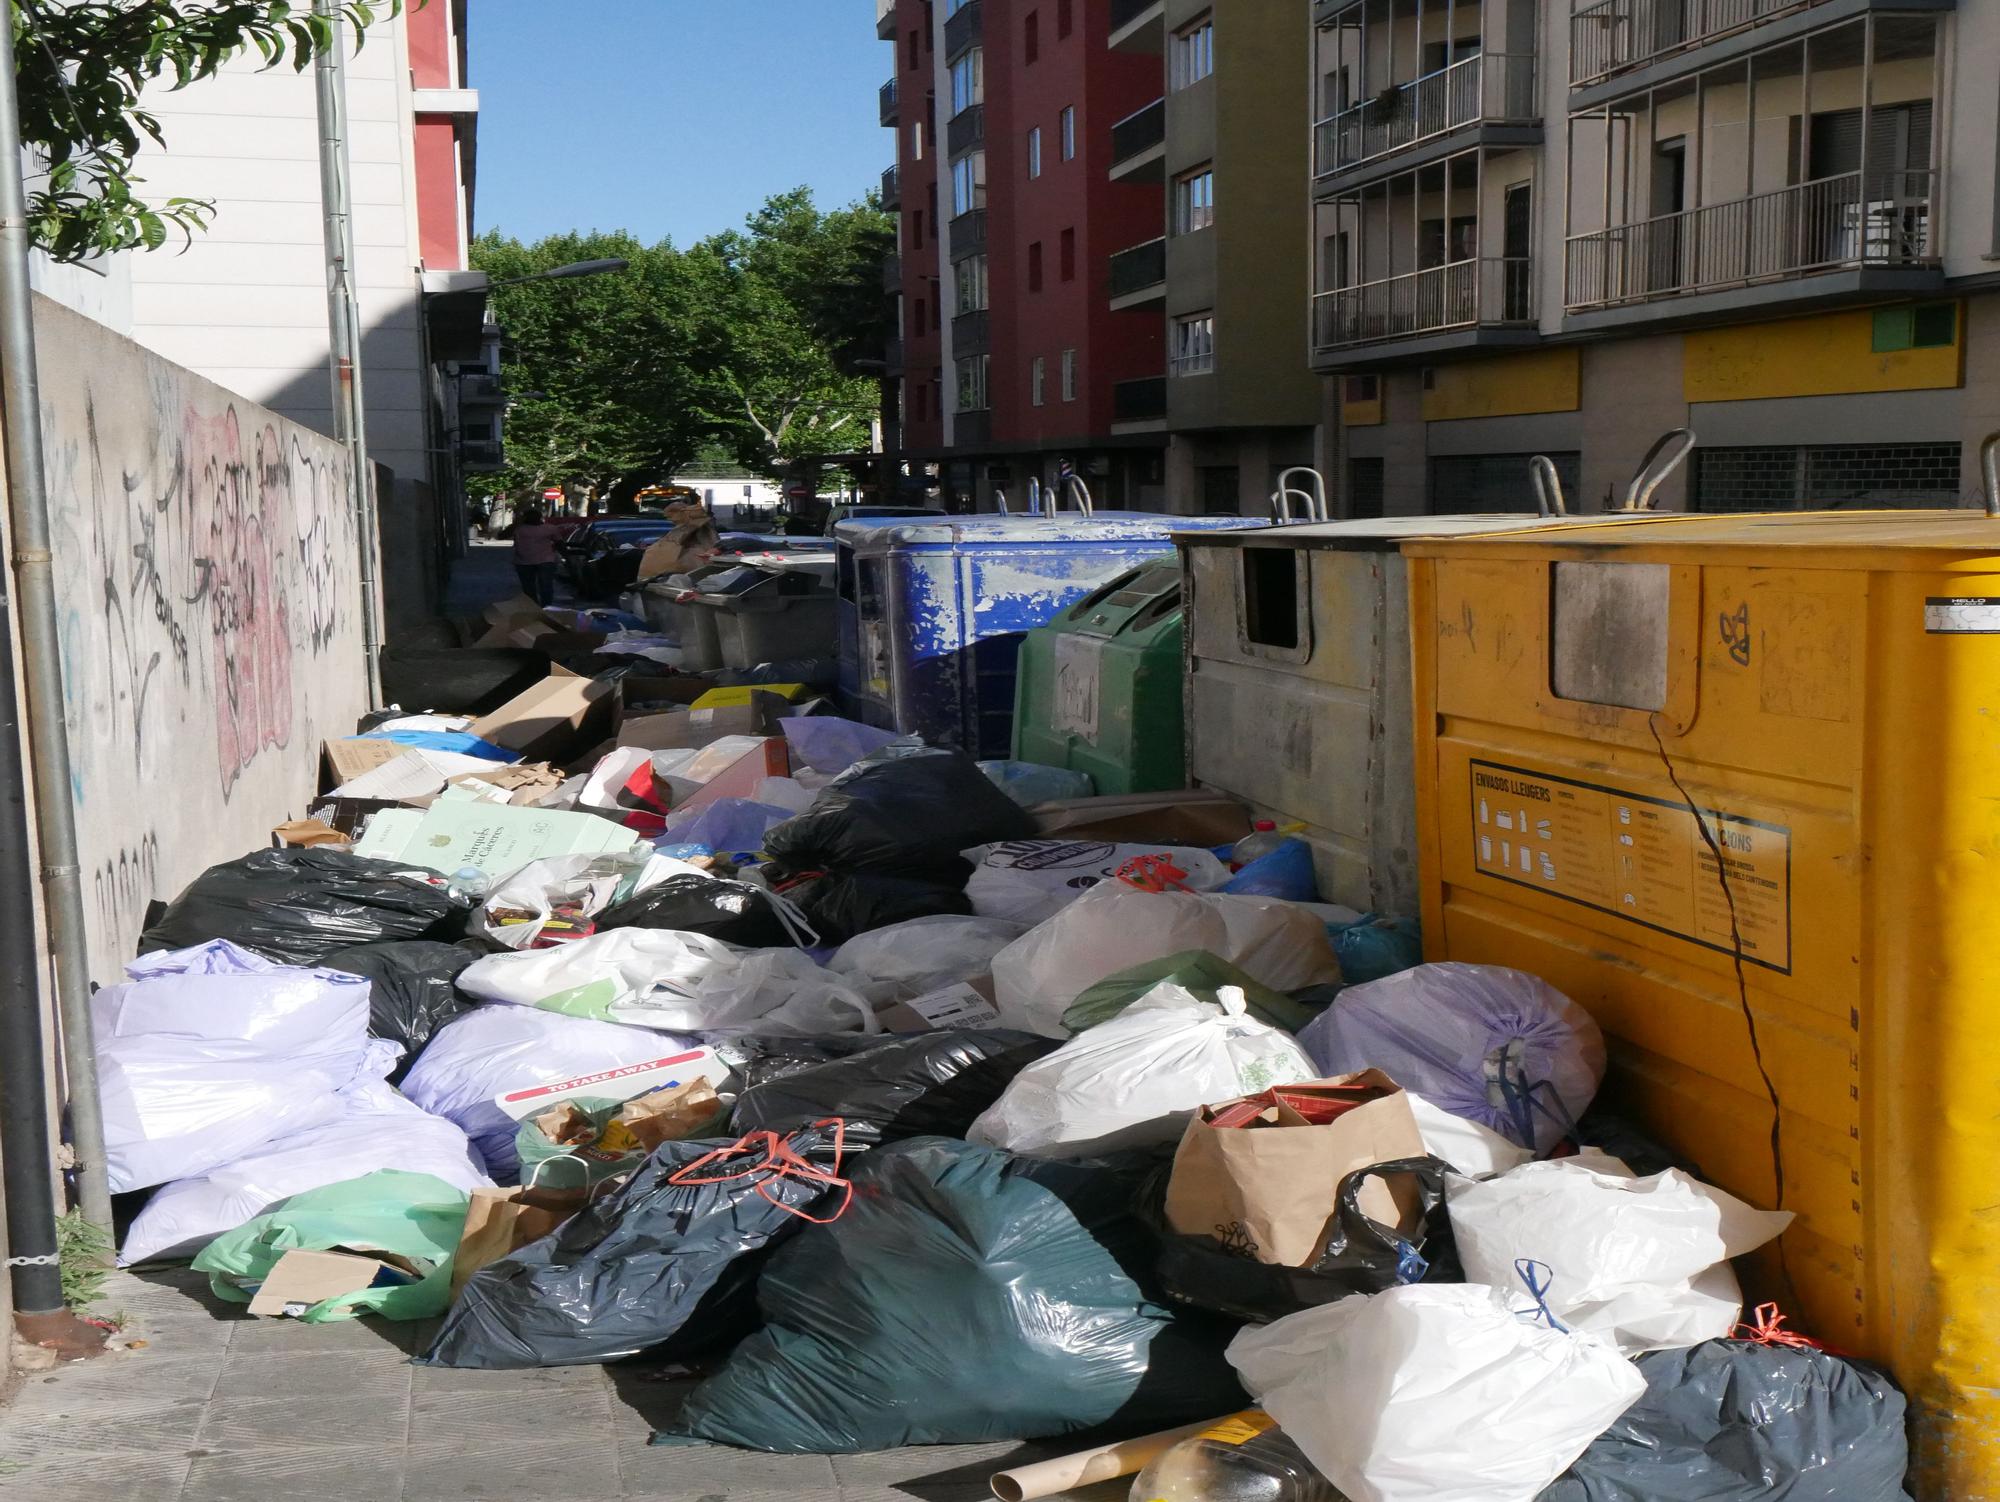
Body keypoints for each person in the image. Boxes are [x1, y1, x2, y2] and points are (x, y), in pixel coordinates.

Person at [509, 504, 563, 606]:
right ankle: (544, 606)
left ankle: (538, 607)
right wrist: (566, 555)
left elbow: (559, 543)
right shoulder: (549, 528)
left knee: (531, 587)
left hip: (527, 561)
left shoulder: (519, 528)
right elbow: (560, 543)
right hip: (540, 561)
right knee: (544, 586)